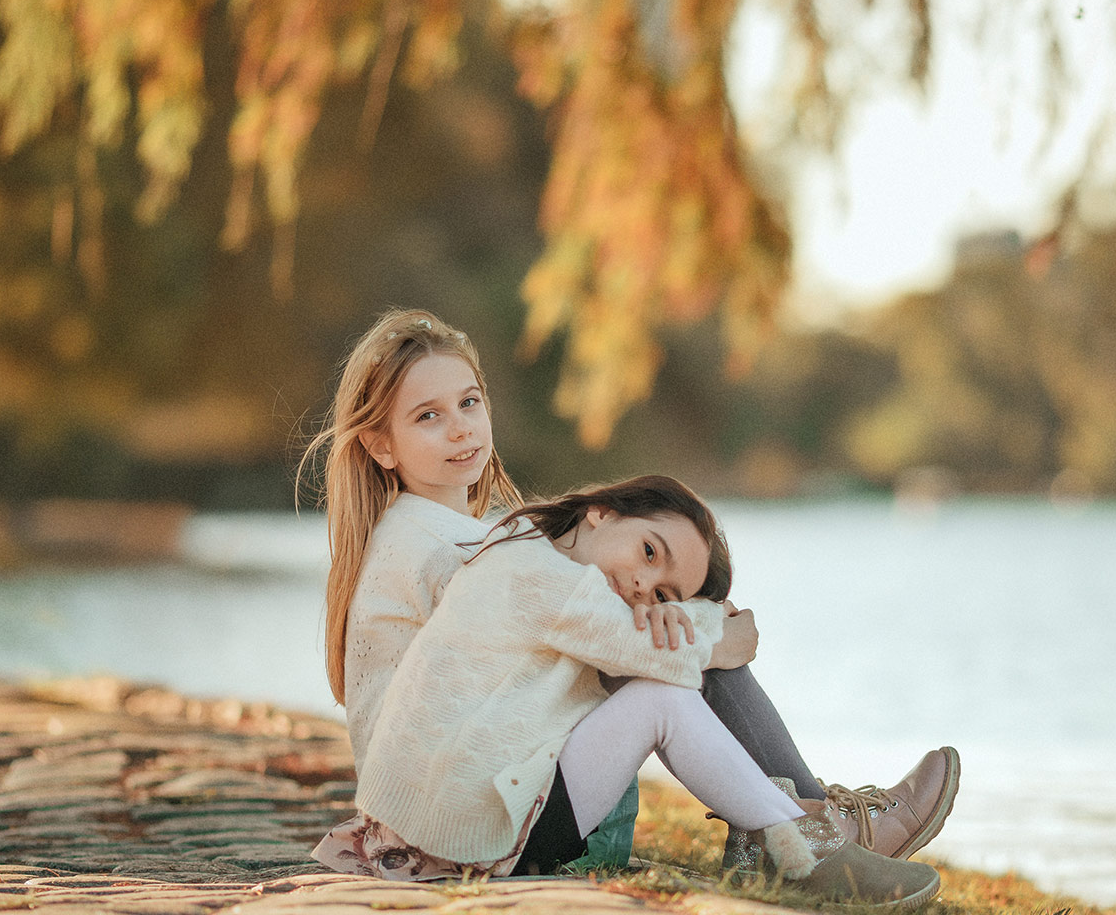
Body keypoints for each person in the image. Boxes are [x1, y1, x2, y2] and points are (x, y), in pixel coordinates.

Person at [298, 308, 958, 878]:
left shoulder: (449, 533)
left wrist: (673, 617)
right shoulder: (438, 548)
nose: (462, 428)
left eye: (470, 403)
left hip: (458, 786)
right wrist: (713, 637)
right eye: (428, 417)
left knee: (662, 630)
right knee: (669, 654)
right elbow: (592, 641)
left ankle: (787, 821)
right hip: (457, 805)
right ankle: (817, 824)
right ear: (382, 445)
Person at [328, 474, 937, 905]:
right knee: (662, 701)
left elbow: (647, 647)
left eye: (665, 594)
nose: (645, 585)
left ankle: (798, 839)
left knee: (662, 687)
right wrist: (714, 632)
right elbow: (673, 659)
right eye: (650, 550)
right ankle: (803, 851)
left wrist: (685, 625)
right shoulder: (537, 575)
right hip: (462, 831)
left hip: (451, 821)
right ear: (604, 511)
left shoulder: (533, 559)